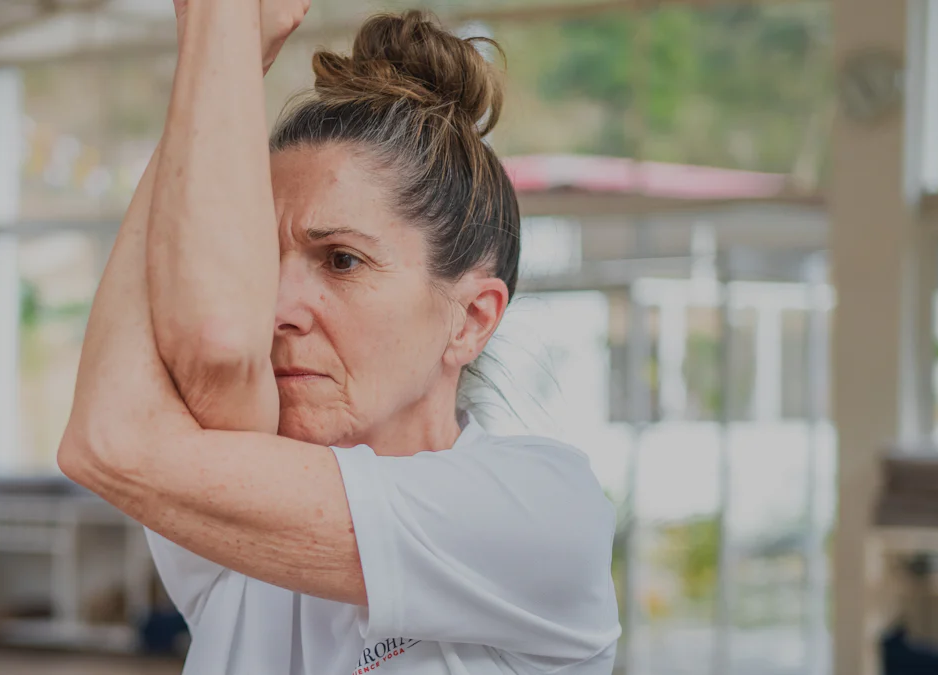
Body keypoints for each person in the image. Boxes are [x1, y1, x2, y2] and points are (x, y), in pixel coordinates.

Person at [57, 0, 621, 673]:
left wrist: (219, 27)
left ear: (469, 318)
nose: (278, 308)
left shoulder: (543, 512)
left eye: (342, 260)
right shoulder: (229, 488)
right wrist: (229, 60)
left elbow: (113, 439)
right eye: (266, 262)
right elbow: (121, 422)